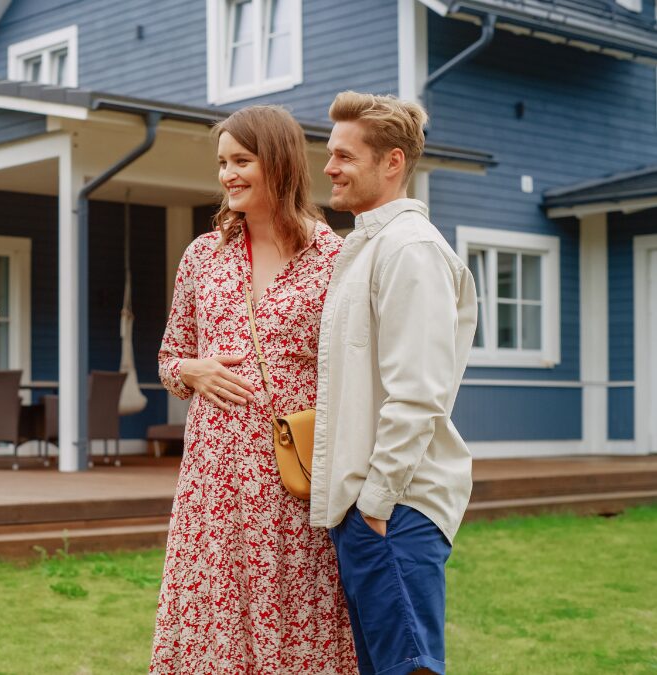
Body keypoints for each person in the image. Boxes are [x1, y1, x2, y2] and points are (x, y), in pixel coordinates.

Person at [151, 105, 357, 674]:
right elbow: (170, 358)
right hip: (213, 480)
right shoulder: (203, 256)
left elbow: (356, 372)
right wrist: (191, 371)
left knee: (299, 613)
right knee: (213, 620)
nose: (228, 175)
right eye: (223, 163)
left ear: (281, 162)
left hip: (295, 478)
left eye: (242, 161)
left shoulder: (335, 259)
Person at [312, 91, 477, 675]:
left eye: (344, 156)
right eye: (330, 153)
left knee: (409, 670)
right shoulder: (368, 247)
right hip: (371, 510)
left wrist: (376, 503)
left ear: (392, 162)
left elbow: (419, 392)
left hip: (395, 509)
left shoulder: (410, 251)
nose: (329, 167)